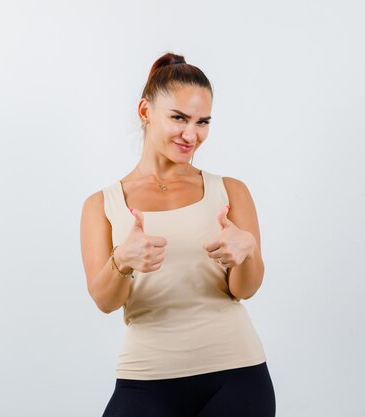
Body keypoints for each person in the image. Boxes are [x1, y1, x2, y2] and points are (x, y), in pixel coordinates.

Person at [79, 52, 276, 417]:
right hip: (146, 378)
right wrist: (122, 260)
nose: (192, 134)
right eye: (179, 118)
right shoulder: (101, 204)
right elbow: (105, 302)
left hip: (236, 374)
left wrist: (247, 252)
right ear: (145, 112)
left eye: (203, 122)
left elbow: (244, 289)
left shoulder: (231, 191)